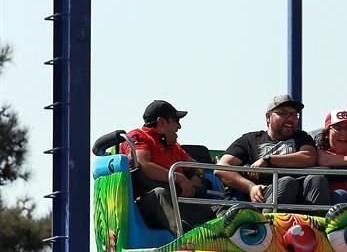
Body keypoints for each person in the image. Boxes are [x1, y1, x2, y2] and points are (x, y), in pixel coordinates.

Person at [216, 94, 329, 210]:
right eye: (284, 113)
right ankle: (270, 224)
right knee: (287, 183)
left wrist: (268, 160)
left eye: (294, 114)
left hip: (302, 197)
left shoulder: (302, 137)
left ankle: (315, 225)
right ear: (268, 116)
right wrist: (251, 187)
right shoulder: (250, 140)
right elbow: (221, 167)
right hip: (267, 194)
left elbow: (308, 157)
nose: (290, 119)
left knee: (317, 179)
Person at [121, 100, 215, 235]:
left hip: (179, 199)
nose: (179, 126)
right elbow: (143, 164)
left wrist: (194, 181)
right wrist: (180, 178)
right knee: (160, 194)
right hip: (149, 205)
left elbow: (195, 167)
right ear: (161, 122)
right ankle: (186, 237)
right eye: (176, 120)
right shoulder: (139, 136)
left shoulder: (173, 146)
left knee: (220, 206)